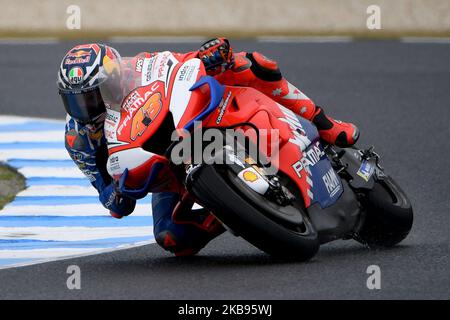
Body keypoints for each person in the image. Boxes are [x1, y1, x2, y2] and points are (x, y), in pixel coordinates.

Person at [57, 39, 359, 256]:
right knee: (171, 238)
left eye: (94, 95)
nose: (87, 107)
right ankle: (237, 211)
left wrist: (211, 52)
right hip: (163, 167)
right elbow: (107, 195)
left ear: (113, 78)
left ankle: (326, 124)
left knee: (252, 63)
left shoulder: (140, 67)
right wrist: (119, 193)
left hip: (203, 118)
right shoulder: (78, 139)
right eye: (77, 101)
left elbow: (181, 62)